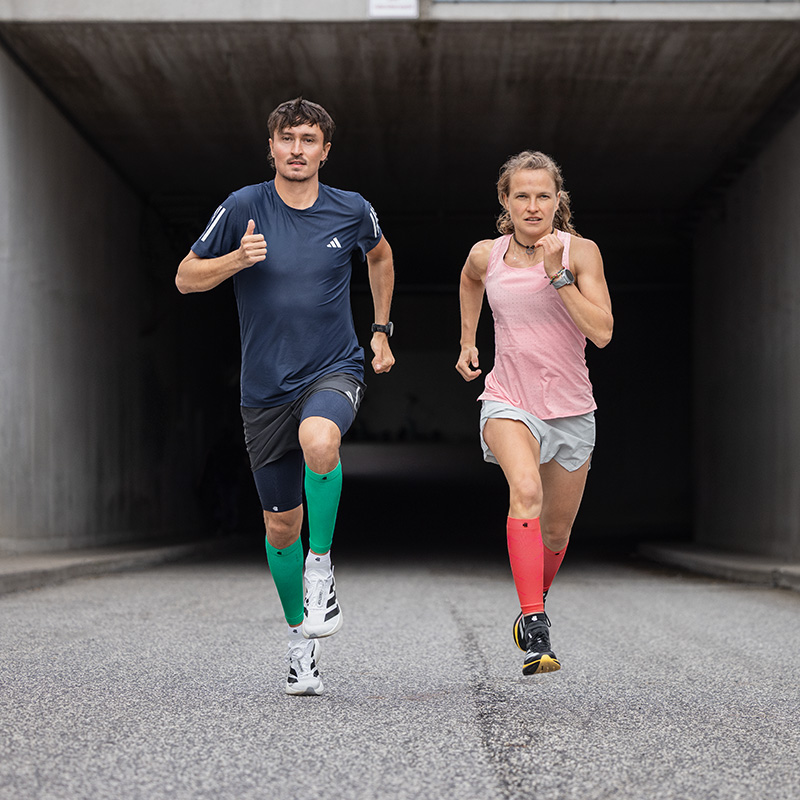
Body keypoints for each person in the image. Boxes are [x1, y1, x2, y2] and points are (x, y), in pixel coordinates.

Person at [176, 97, 395, 696]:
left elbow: (380, 256)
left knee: (320, 438)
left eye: (308, 139)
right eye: (286, 139)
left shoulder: (352, 210)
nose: (297, 149)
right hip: (264, 388)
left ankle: (321, 569)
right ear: (270, 147)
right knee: (279, 528)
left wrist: (379, 329)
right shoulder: (244, 206)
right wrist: (233, 259)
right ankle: (301, 639)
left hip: (334, 365)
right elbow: (185, 277)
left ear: (326, 150)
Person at [455, 151, 612, 676]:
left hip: (570, 408)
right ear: (505, 201)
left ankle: (532, 601)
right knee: (524, 490)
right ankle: (535, 623)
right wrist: (467, 340)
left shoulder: (580, 252)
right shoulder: (488, 253)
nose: (532, 205)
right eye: (521, 195)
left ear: (557, 199)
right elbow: (470, 280)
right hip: (508, 399)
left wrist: (559, 277)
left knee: (556, 533)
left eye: (543, 195)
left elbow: (603, 332)